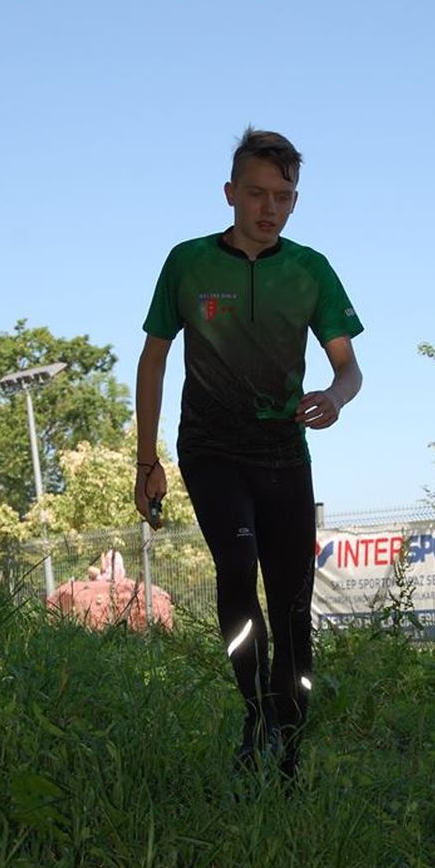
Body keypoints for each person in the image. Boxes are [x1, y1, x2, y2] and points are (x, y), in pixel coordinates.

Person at [134, 127, 364, 780]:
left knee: (292, 604)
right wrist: (146, 460)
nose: (270, 208)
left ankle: (288, 742)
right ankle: (255, 713)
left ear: (296, 200)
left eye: (283, 197)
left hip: (284, 452)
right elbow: (153, 360)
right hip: (211, 447)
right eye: (257, 193)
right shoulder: (188, 263)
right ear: (230, 192)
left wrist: (335, 397)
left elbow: (349, 369)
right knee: (236, 566)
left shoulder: (311, 270)